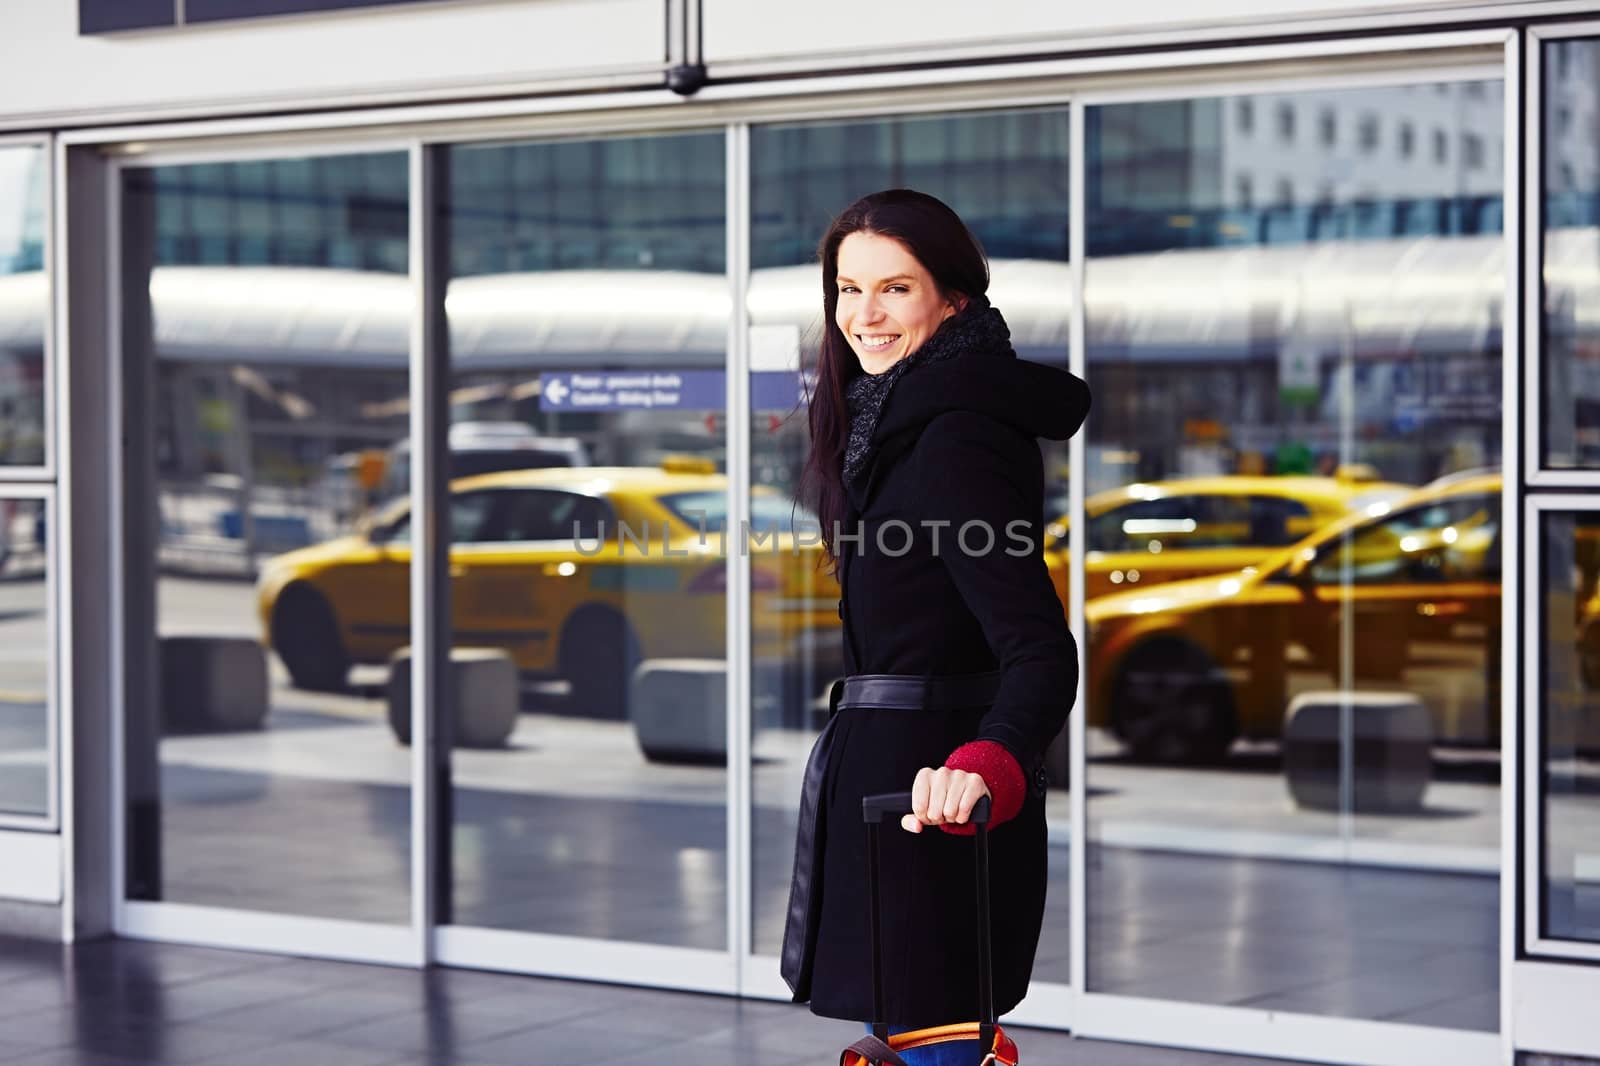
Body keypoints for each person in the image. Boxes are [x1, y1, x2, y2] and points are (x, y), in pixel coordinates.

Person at [780, 188, 1090, 1065]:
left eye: (895, 289)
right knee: (911, 1040)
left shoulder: (951, 436)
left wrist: (985, 765)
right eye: (848, 289)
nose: (863, 315)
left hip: (935, 801)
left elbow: (1038, 648)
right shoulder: (890, 424)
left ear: (952, 299)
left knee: (935, 1042)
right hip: (893, 789)